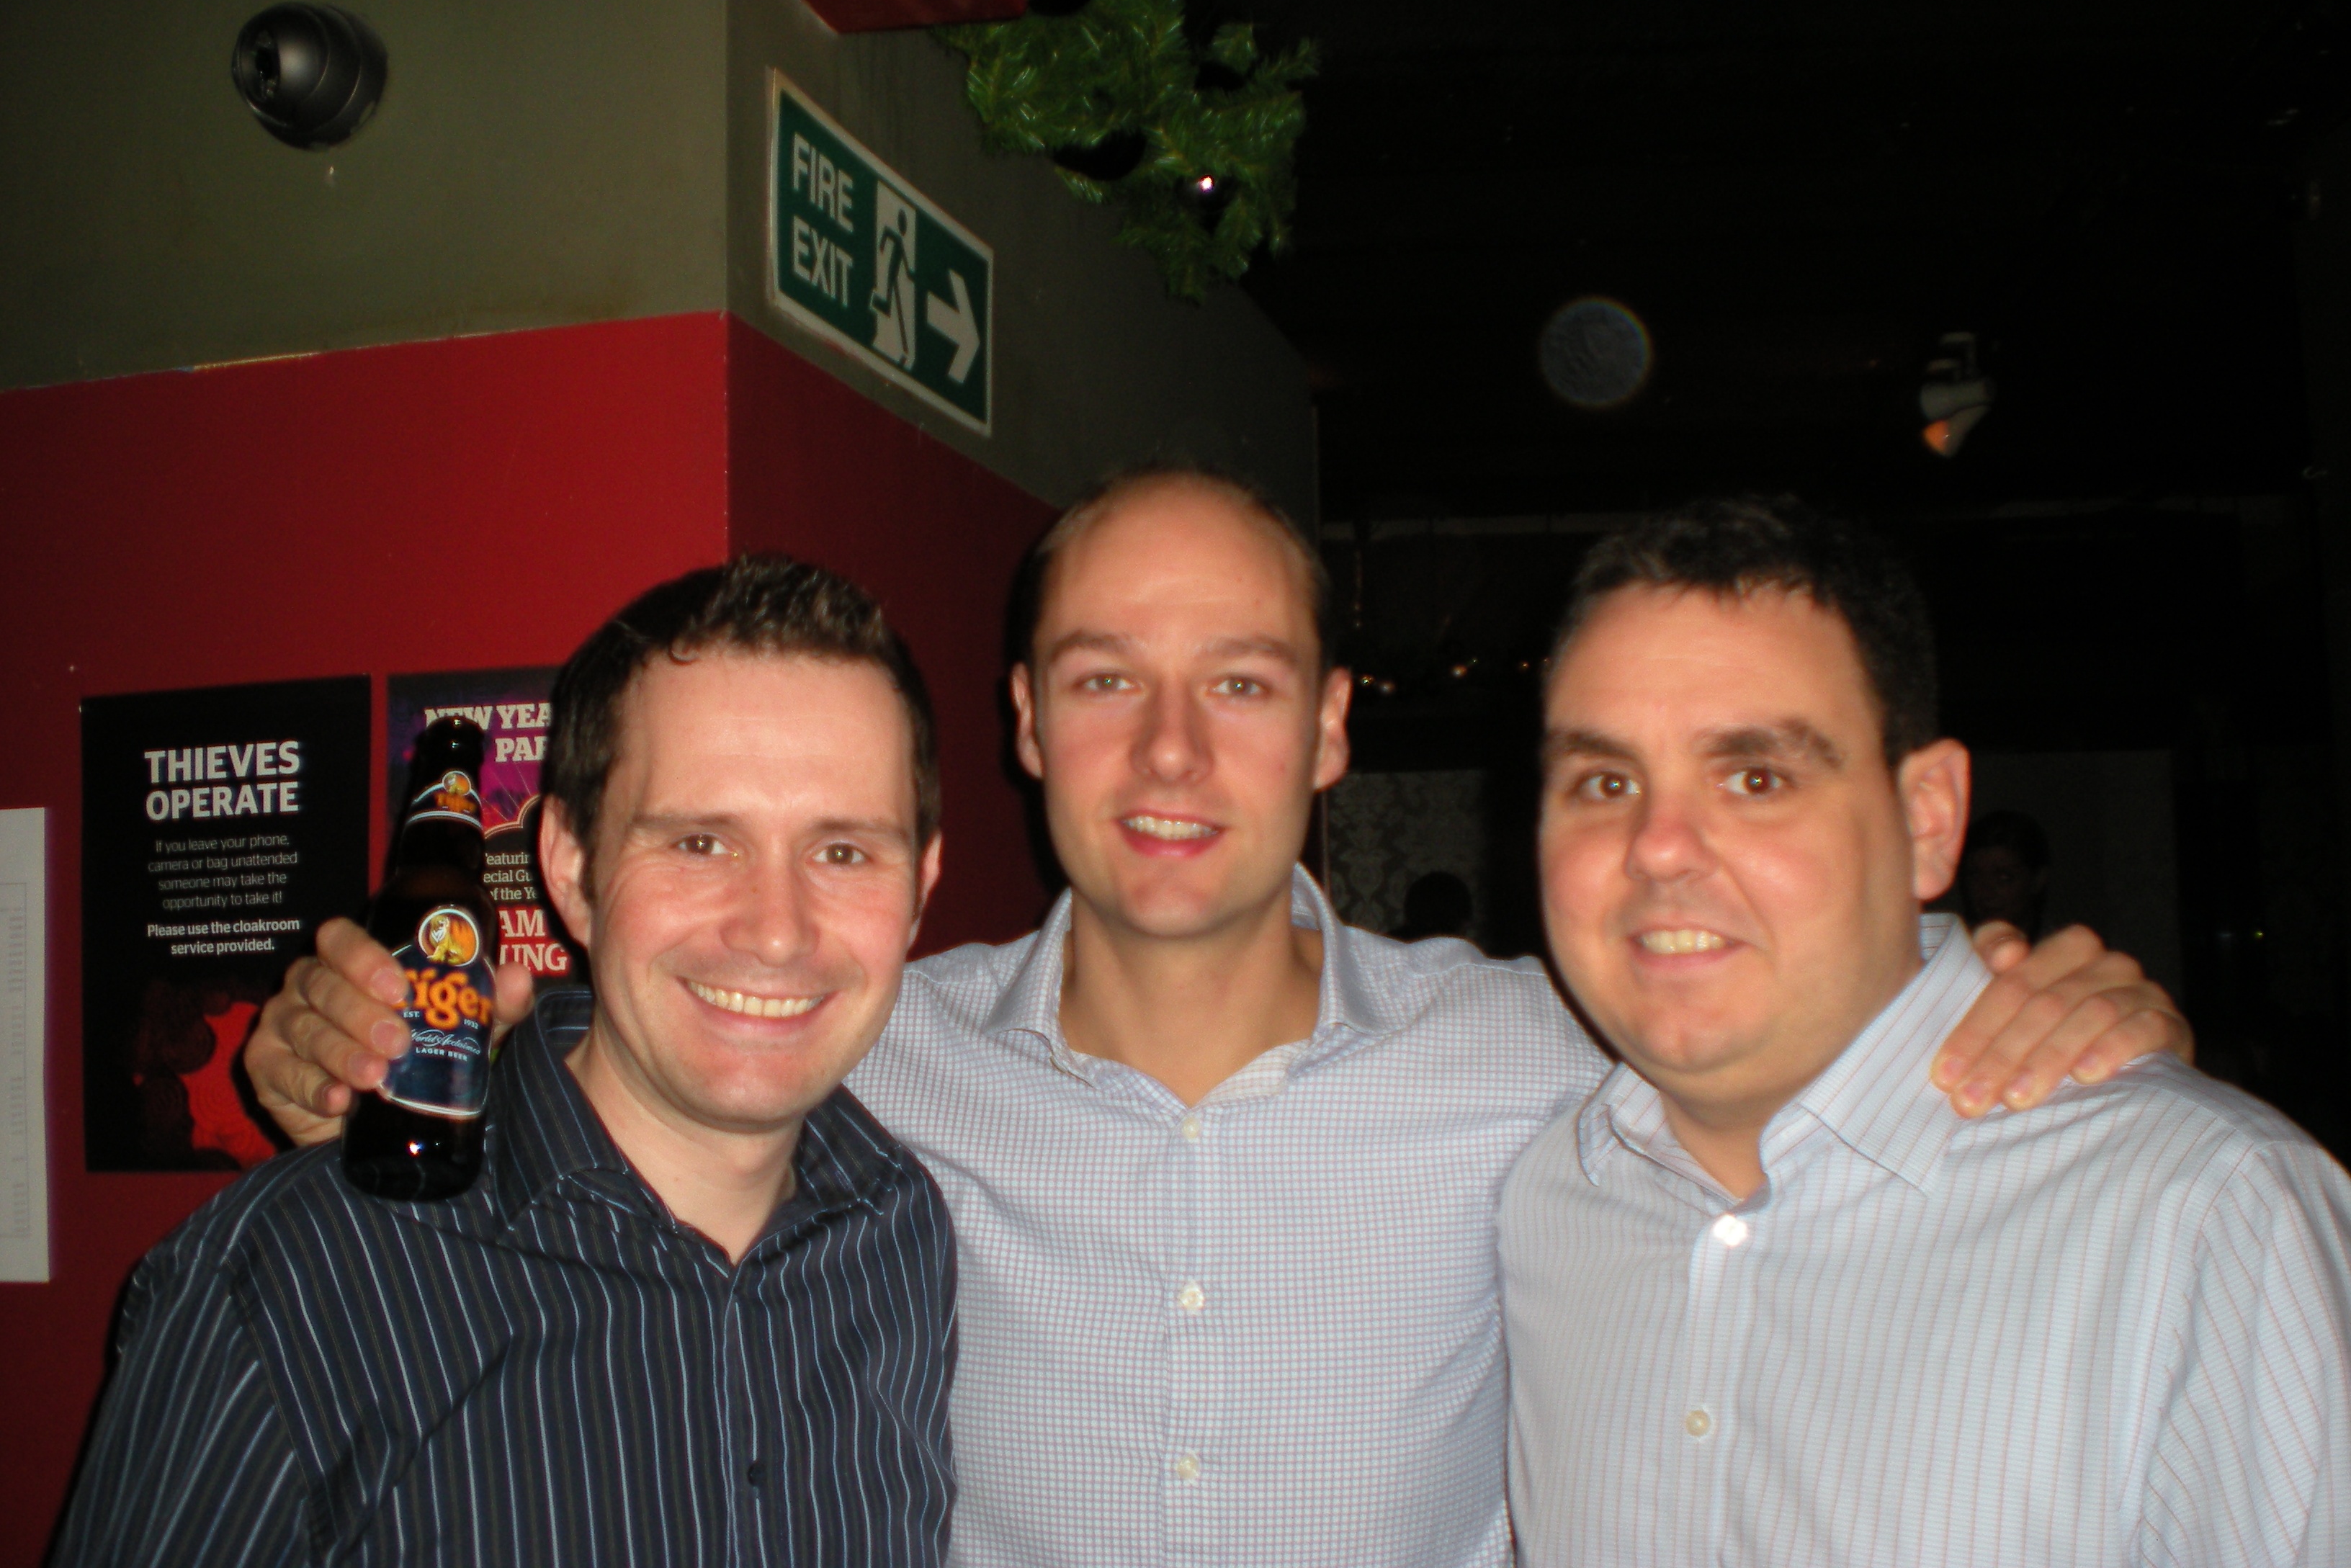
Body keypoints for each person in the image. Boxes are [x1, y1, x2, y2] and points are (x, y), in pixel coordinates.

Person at [246, 469, 2192, 1567]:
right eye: (1106, 680)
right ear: (1025, 722)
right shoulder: (861, 1045)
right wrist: (357, 1039)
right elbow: (618, 1066)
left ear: (1333, 727)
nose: (1171, 751)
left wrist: (2060, 1010)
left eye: (1244, 685)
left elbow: (1811, 1040)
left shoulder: (1553, 1051)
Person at [1501, 495, 2351, 1566]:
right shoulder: (1535, 1196)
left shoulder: (2208, 1217)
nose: (1658, 847)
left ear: (1929, 818)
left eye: (1757, 778)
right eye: (1605, 781)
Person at [55, 558, 958, 1567]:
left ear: (920, 885)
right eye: (700, 843)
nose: (776, 931)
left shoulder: (905, 1240)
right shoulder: (294, 1278)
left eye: (843, 853)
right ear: (570, 868)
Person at [1958, 805, 2054, 938]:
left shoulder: (2062, 947)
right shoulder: (1955, 944)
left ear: (2037, 880)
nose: (1986, 892)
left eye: (2004, 878)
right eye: (1975, 876)